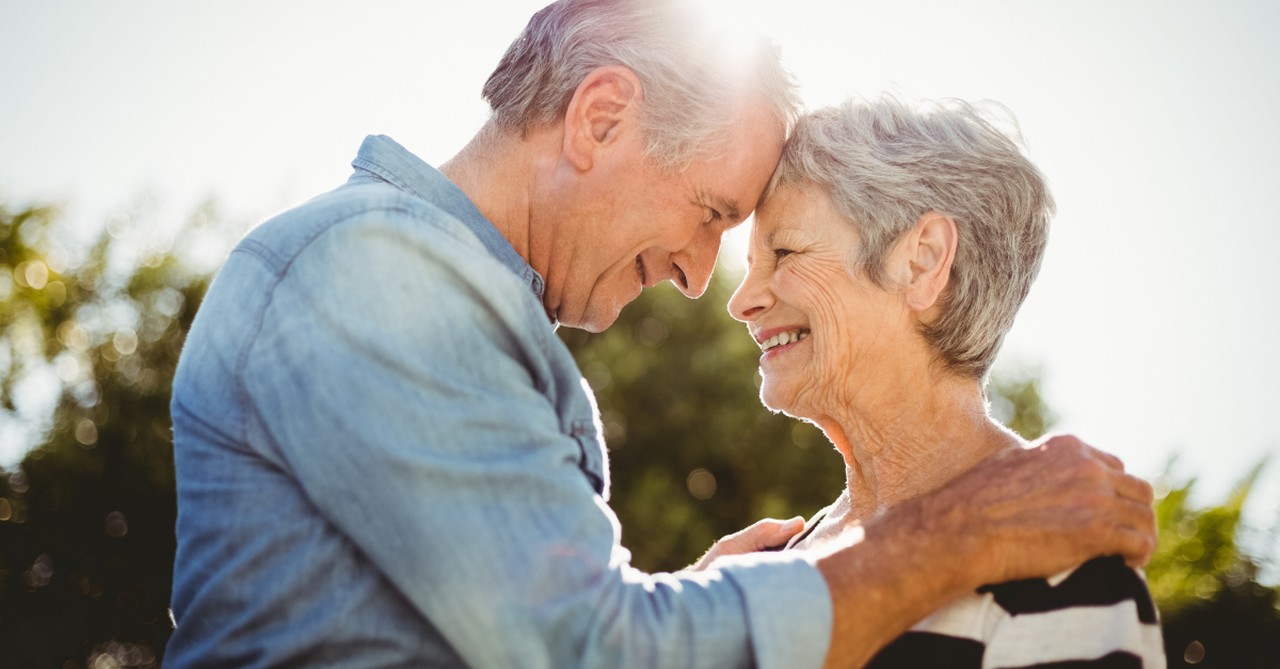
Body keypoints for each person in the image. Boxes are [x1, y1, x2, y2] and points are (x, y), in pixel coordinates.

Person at [166, 1, 1157, 667]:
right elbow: (585, 651)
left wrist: (688, 598)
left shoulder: (424, 294)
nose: (700, 279)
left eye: (765, 245)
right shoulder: (377, 277)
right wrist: (952, 539)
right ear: (598, 120)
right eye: (711, 213)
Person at [727, 96, 1166, 668]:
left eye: (784, 251)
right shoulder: (761, 567)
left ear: (922, 261)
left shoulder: (1060, 563)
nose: (741, 301)